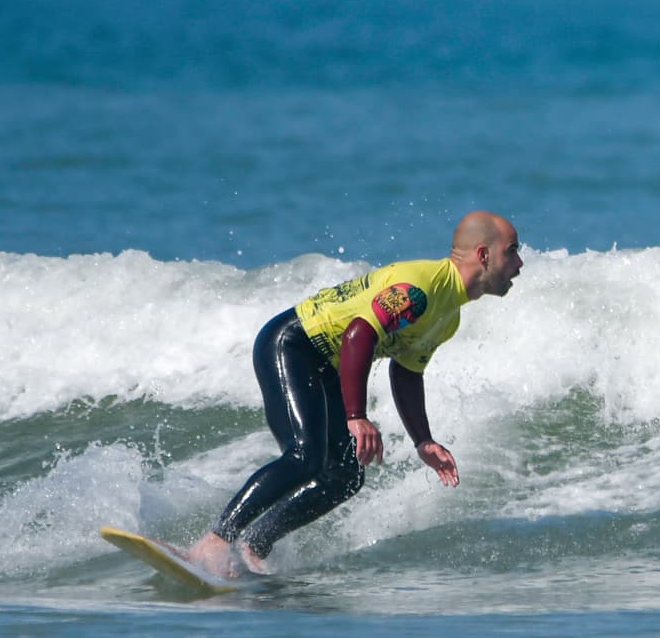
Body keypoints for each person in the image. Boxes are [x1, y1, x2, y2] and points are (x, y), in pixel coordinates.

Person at [187, 210, 523, 577]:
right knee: (305, 456)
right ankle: (215, 542)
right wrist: (356, 416)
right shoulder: (421, 289)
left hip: (325, 363)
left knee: (344, 476)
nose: (520, 263)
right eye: (512, 251)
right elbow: (359, 334)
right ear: (484, 254)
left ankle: (254, 545)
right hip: (292, 345)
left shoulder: (449, 314)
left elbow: (407, 371)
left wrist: (422, 440)